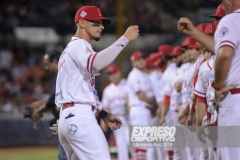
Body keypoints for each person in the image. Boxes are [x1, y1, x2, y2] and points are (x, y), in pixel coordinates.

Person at [55, 6, 139, 160]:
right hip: (79, 117)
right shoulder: (78, 45)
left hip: (67, 117)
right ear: (82, 23)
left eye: (101, 23)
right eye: (96, 22)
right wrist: (125, 39)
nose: (101, 27)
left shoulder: (67, 52)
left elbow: (79, 90)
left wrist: (102, 114)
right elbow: (95, 64)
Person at [178, 1, 240, 159]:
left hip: (234, 101)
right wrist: (193, 31)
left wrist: (217, 86)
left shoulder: (231, 20)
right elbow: (219, 49)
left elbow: (223, 54)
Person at [30, 50, 68, 160]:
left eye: (47, 64)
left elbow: (52, 101)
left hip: (68, 120)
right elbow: (57, 98)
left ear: (55, 61)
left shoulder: (62, 74)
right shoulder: (64, 74)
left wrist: (38, 111)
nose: (46, 68)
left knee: (64, 156)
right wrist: (41, 103)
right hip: (69, 119)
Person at [127, 51, 157, 160]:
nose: (141, 61)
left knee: (146, 144)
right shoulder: (134, 74)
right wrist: (155, 104)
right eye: (138, 59)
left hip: (145, 111)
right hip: (139, 110)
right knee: (143, 143)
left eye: (142, 58)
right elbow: (140, 95)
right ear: (133, 63)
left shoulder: (144, 75)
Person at [101, 65, 129, 160]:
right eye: (110, 74)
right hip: (116, 119)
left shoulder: (127, 84)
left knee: (132, 141)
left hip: (128, 118)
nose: (112, 76)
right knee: (121, 145)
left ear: (119, 72)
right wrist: (103, 121)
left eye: (114, 73)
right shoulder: (107, 90)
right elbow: (106, 107)